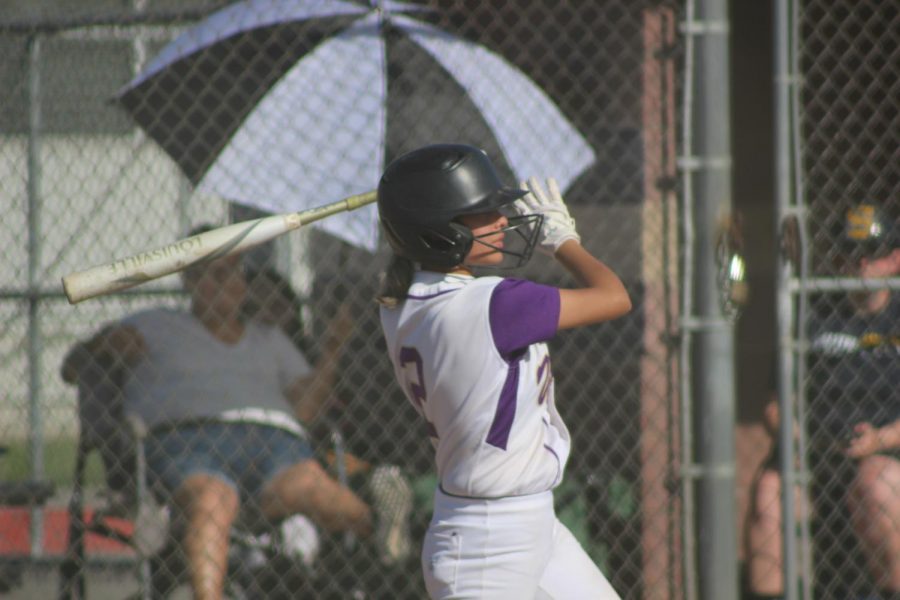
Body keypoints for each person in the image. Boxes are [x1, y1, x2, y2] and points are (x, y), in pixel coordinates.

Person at [61, 236, 411, 600]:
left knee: (310, 485)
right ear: (190, 281)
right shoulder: (153, 324)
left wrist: (334, 347)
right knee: (213, 499)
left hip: (274, 440)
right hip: (188, 440)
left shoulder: (269, 339)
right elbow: (72, 368)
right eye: (213, 274)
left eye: (232, 274)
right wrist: (104, 346)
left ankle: (392, 539)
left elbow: (306, 411)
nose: (225, 283)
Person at [374, 143, 631, 599]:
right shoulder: (496, 303)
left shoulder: (398, 306)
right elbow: (614, 296)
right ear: (439, 233)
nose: (501, 221)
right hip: (486, 547)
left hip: (530, 524)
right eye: (482, 214)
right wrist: (564, 243)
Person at [745, 202, 900, 600]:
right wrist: (798, 442)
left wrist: (880, 441)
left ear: (894, 260)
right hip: (816, 454)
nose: (862, 265)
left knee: (877, 483)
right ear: (836, 259)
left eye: (873, 254)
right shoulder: (813, 314)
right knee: (769, 492)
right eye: (851, 254)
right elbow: (775, 404)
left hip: (886, 455)